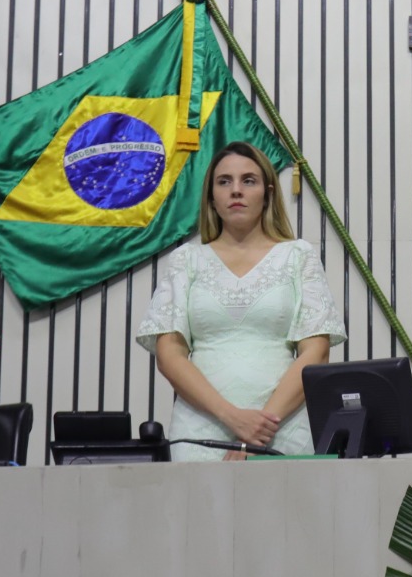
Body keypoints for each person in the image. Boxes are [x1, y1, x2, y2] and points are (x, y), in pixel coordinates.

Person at [136, 141, 345, 459]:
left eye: (248, 180)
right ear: (211, 197)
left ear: (268, 193)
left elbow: (315, 352)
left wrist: (258, 430)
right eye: (224, 182)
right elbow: (169, 355)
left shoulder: (297, 256)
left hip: (283, 428)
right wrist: (232, 417)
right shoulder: (186, 260)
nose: (236, 190)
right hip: (201, 430)